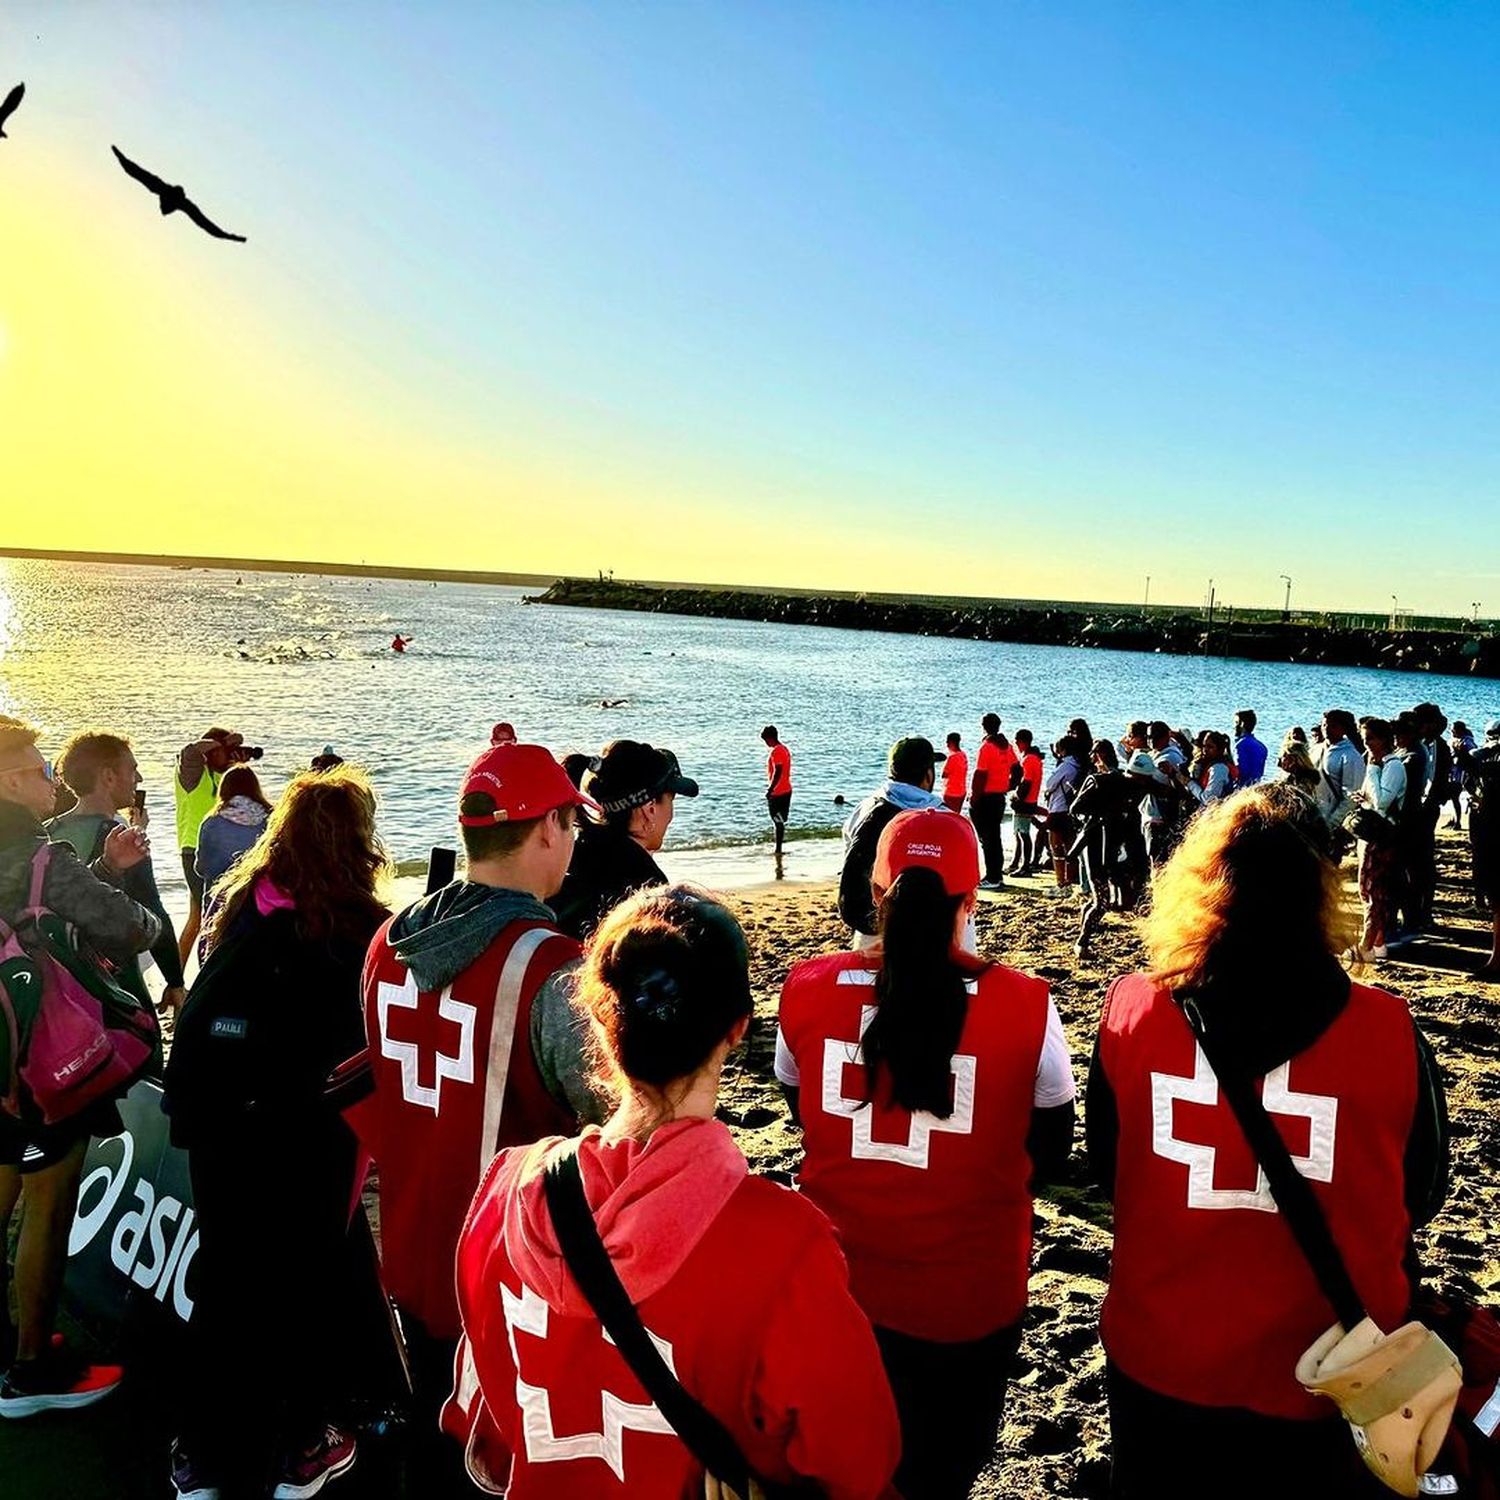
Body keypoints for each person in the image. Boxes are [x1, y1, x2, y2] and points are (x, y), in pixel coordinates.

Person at [443, 885, 901, 1498]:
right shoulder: (785, 1247)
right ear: (737, 1029)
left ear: (601, 1029)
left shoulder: (503, 1192)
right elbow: (858, 1462)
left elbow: (478, 1422)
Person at [1088, 783, 1448, 1498]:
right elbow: (1424, 1191)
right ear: (1322, 891)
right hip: (1333, 1376)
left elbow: (1106, 1166)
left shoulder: (1132, 1009)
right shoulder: (1388, 1030)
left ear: (1197, 885)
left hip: (1162, 1356)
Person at [777, 811, 1073, 1497]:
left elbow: (802, 1112)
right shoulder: (1027, 1004)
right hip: (966, 1302)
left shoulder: (807, 987)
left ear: (876, 896)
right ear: (971, 901)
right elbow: (1051, 1149)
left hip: (838, 1289)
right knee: (941, 1476)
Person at [345, 742, 604, 1491]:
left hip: (410, 1249)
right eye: (572, 825)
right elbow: (611, 1126)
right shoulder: (552, 967)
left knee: (433, 1432)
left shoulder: (387, 945)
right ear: (548, 829)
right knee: (495, 1462)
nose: (575, 843)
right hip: (504, 1276)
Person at [163, 768, 391, 1499]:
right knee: (304, 1280)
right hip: (296, 1121)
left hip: (210, 1109)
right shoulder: (358, 926)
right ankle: (300, 1444)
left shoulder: (245, 904)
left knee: (229, 1280)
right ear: (358, 843)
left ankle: (202, 1452)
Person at [0, 715, 159, 1417]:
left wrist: (100, 870)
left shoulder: (40, 863)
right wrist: (122, 889)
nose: (50, 779)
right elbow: (128, 927)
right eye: (38, 770)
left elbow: (33, 915)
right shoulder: (41, 857)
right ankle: (32, 1370)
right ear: (7, 782)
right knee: (49, 1202)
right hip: (37, 1061)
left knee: (3, 1188)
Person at [48, 730, 186, 1015]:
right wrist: (175, 981)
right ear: (108, 777)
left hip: (60, 982)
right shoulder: (119, 837)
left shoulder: (48, 831)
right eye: (132, 769)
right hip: (114, 981)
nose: (139, 779)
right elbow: (152, 908)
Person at [553, 741, 700, 941]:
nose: (671, 814)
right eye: (671, 799)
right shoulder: (649, 890)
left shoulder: (571, 857)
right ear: (649, 810)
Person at [837, 737, 947, 944]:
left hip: (870, 923)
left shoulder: (865, 809)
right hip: (923, 926)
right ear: (928, 775)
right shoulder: (942, 815)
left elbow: (848, 858)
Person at [174, 728, 257, 967]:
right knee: (210, 915)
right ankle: (201, 973)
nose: (230, 757)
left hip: (220, 849)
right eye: (223, 753)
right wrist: (221, 742)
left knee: (197, 918)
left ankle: (175, 980)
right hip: (195, 851)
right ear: (211, 752)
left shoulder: (223, 775)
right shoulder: (192, 774)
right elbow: (191, 749)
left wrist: (232, 754)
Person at [1071, 741, 1150, 960]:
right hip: (1097, 846)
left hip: (1112, 848)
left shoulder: (1132, 787)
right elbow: (1075, 809)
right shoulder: (1102, 782)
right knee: (1101, 901)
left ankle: (1082, 935)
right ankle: (1082, 941)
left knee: (1100, 899)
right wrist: (1105, 814)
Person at [1352, 717, 1406, 961]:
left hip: (1382, 833)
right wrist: (1362, 797)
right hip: (1371, 831)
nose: (1367, 745)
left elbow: (1383, 801)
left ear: (1383, 739)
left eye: (1369, 739)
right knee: (1365, 888)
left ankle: (1366, 945)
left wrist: (1372, 770)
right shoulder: (1377, 763)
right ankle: (1378, 943)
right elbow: (1373, 797)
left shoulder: (1392, 766)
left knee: (1374, 890)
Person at [1455, 721, 1500, 974]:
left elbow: (1472, 768)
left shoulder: (1484, 760)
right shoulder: (1483, 762)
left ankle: (1496, 960)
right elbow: (1468, 778)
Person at [193, 765, 273, 895]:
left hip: (219, 897)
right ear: (255, 788)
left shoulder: (212, 822)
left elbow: (203, 868)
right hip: (261, 898)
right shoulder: (272, 819)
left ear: (224, 789)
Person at [971, 714, 1014, 890]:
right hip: (998, 797)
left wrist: (974, 797)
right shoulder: (1007, 746)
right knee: (994, 837)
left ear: (984, 726)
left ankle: (993, 876)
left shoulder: (987, 747)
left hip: (986, 797)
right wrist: (1008, 785)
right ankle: (997, 875)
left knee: (987, 839)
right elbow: (1018, 769)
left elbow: (980, 774)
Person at [1042, 735, 1084, 885]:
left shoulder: (1065, 766)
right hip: (1069, 809)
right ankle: (1071, 878)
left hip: (1058, 808)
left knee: (1057, 848)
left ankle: (1061, 881)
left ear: (1063, 750)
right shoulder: (1078, 765)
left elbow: (1049, 784)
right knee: (1070, 846)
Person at [1315, 710, 1365, 830]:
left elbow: (1351, 797)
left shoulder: (1351, 756)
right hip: (1312, 816)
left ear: (1343, 729)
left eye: (1333, 726)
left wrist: (1333, 823)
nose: (1326, 729)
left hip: (1331, 819)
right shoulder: (1315, 750)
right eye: (1324, 725)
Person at [1007, 729, 1047, 876]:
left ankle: (1025, 866)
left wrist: (1017, 796)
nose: (1016, 744)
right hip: (1030, 799)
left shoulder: (1029, 759)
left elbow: (1027, 782)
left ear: (1024, 742)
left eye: (1017, 741)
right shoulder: (1033, 758)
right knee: (1018, 832)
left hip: (1026, 800)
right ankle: (1016, 863)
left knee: (1023, 833)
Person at [761, 725, 793, 856]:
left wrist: (770, 789)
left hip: (777, 792)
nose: (766, 743)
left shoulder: (776, 751)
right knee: (781, 820)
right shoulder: (785, 749)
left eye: (766, 740)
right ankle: (779, 845)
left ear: (770, 738)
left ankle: (778, 848)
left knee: (777, 820)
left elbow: (778, 771)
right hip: (787, 789)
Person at [1232, 709, 1267, 787]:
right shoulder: (1262, 746)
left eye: (1236, 723)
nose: (1233, 726)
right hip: (1255, 787)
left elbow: (1241, 771)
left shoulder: (1241, 745)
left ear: (1242, 724)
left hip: (1241, 789)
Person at [940, 731, 968, 813]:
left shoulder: (952, 757)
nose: (947, 745)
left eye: (947, 742)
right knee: (957, 814)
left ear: (951, 742)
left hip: (951, 792)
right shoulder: (963, 755)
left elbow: (944, 775)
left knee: (949, 815)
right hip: (961, 791)